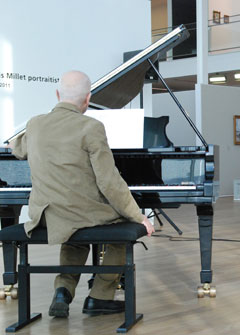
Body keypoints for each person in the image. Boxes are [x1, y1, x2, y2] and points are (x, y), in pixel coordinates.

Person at [8, 70, 154, 317]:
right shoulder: (92, 127)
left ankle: (63, 289)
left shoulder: (35, 124)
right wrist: (138, 216)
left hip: (45, 216)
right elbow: (109, 182)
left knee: (74, 230)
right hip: (78, 213)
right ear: (88, 99)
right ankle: (100, 296)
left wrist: (15, 144)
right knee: (119, 225)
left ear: (57, 95)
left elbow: (16, 148)